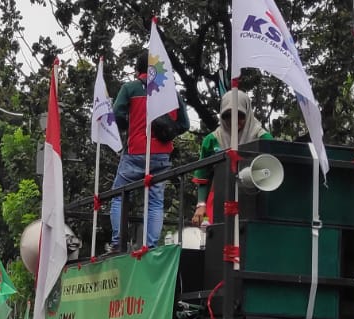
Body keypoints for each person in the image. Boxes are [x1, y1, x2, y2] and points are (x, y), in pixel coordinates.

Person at [109, 67, 189, 250]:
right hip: (161, 156)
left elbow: (117, 114)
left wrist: (129, 125)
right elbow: (184, 124)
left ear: (138, 70)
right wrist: (167, 134)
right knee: (155, 201)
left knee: (119, 196)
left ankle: (117, 242)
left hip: (135, 151)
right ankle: (150, 246)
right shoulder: (172, 93)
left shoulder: (130, 88)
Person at [191, 88, 273, 226]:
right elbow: (202, 176)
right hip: (219, 197)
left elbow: (272, 170)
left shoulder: (262, 138)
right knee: (215, 238)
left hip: (254, 197)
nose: (233, 121)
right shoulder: (212, 140)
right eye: (228, 115)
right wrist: (201, 205)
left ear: (247, 113)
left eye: (239, 115)